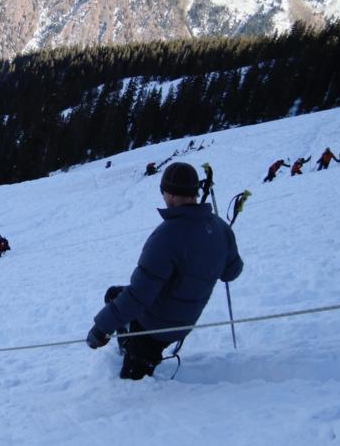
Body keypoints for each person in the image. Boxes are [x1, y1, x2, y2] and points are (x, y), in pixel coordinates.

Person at [86, 162, 243, 380]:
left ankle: (137, 350)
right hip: (185, 321)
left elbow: (139, 294)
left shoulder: (166, 236)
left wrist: (101, 328)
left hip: (157, 327)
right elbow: (231, 273)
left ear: (168, 194)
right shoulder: (220, 228)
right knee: (114, 294)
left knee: (132, 387)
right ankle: (130, 344)